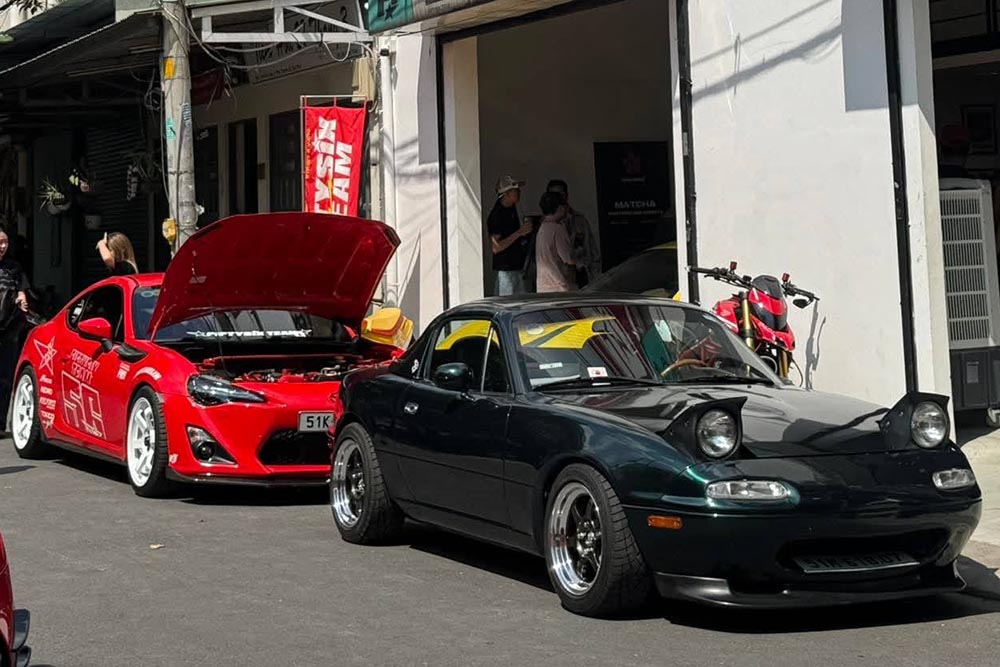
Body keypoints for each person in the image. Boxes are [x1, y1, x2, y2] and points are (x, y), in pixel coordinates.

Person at [547, 179, 601, 288]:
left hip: (580, 274)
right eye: (553, 195)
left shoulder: (579, 220)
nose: (556, 199)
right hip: (556, 278)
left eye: (559, 195)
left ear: (566, 196)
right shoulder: (546, 224)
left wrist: (595, 278)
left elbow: (592, 250)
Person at [0, 228, 29, 431]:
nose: (3, 246)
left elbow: (21, 291)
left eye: (5, 242)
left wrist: (22, 298)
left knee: (5, 377)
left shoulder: (14, 267)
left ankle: (1, 422)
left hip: (8, 327)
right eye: (0, 242)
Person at [487, 175, 533, 296]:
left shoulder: (514, 208)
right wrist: (519, 232)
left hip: (518, 267)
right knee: (508, 306)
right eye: (515, 190)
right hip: (506, 270)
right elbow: (496, 247)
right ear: (506, 194)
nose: (519, 192)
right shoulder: (497, 215)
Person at [534, 191, 576, 293]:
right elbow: (568, 260)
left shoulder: (543, 227)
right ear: (560, 208)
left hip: (542, 287)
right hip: (559, 288)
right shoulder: (557, 229)